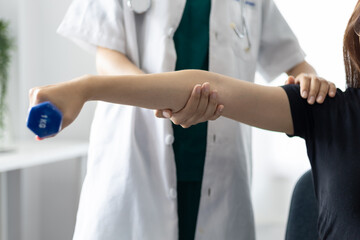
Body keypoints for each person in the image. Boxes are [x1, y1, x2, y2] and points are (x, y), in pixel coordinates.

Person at [56, 0, 336, 239]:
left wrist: (308, 78)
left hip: (220, 172)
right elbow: (106, 54)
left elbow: (292, 59)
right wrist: (155, 94)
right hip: (135, 160)